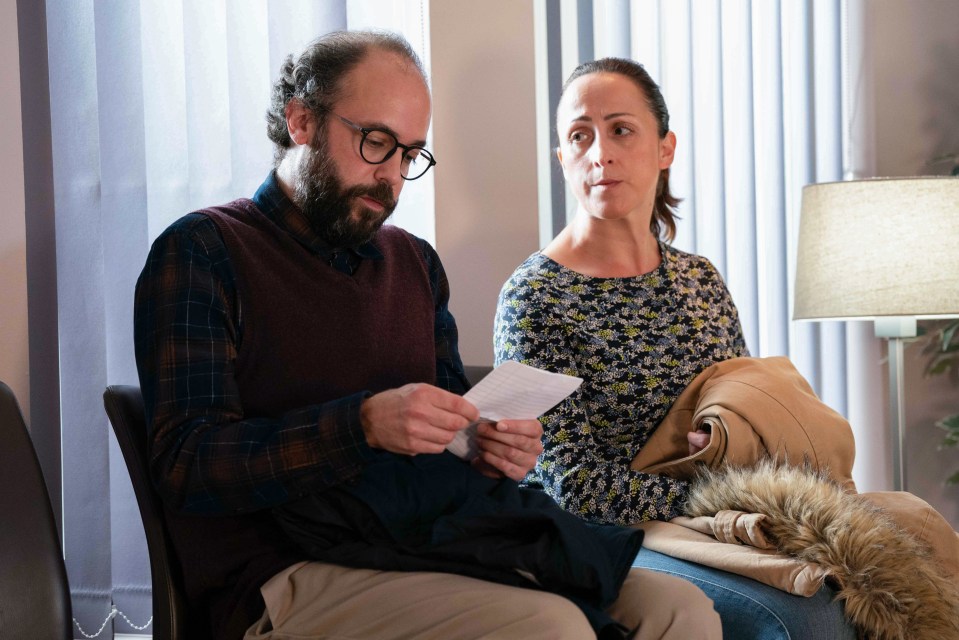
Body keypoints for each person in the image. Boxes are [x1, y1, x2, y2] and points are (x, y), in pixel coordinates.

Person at [135, 33, 722, 640]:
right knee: (550, 626)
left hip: (419, 539)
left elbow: (450, 444)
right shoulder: (204, 251)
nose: (390, 175)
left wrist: (490, 450)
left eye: (409, 154)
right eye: (376, 142)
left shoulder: (413, 263)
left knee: (677, 607)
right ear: (301, 121)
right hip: (278, 573)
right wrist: (361, 425)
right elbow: (187, 464)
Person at [494, 57, 856, 639]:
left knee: (887, 567)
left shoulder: (699, 279)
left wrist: (729, 444)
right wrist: (714, 491)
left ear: (665, 148)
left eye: (620, 130)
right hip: (612, 533)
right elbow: (571, 483)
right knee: (805, 618)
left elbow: (748, 403)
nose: (600, 154)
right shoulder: (536, 295)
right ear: (563, 159)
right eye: (579, 136)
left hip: (718, 513)